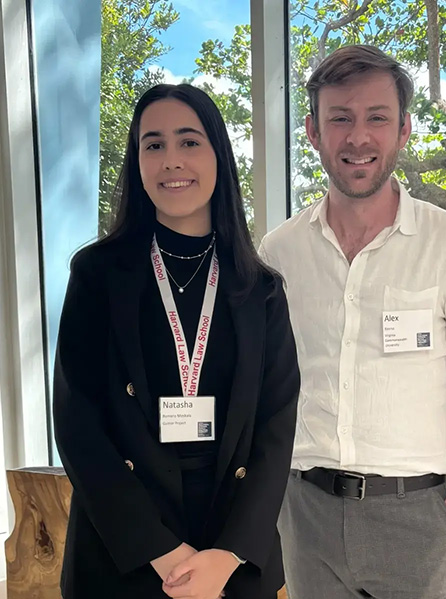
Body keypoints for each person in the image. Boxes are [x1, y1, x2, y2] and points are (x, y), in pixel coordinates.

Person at [259, 45, 446, 599]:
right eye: (340, 118)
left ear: (404, 130)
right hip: (307, 515)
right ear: (313, 132)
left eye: (377, 117)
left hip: (418, 515)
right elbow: (266, 387)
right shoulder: (279, 252)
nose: (358, 137)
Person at [54, 83, 300, 599]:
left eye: (189, 142)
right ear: (137, 161)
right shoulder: (98, 273)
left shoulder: (261, 289)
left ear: (218, 156)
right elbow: (78, 422)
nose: (171, 161)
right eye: (153, 144)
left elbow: (276, 427)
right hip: (124, 546)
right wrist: (160, 551)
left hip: (231, 548)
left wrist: (228, 554)